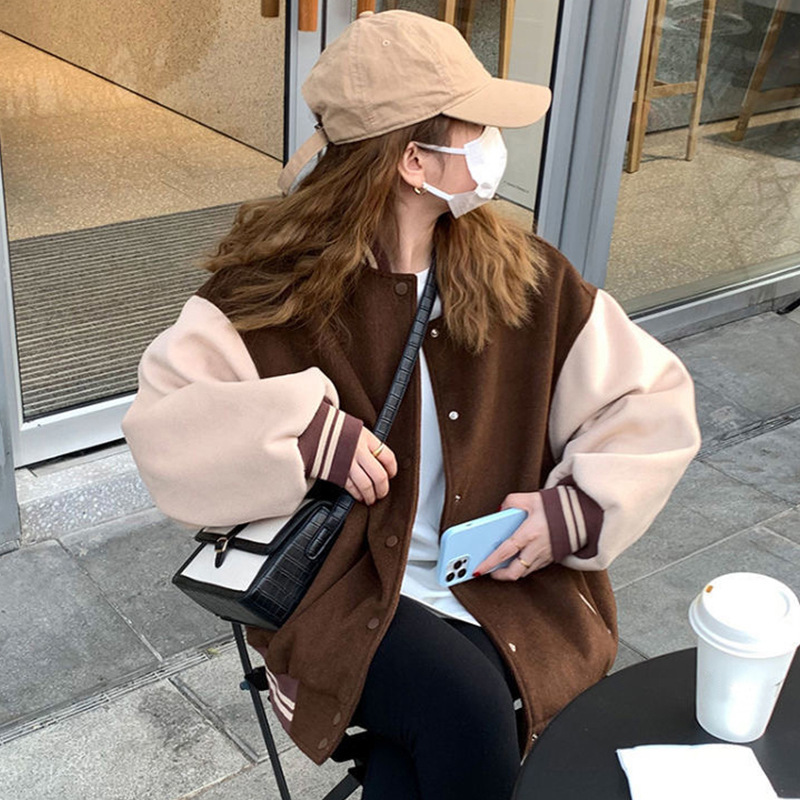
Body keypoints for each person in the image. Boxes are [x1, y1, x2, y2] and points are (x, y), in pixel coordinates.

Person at [121, 10, 701, 800]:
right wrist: (300, 435)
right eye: (475, 126)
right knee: (468, 709)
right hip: (340, 588)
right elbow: (163, 426)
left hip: (500, 573)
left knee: (441, 734)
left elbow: (651, 397)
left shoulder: (526, 277)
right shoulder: (269, 294)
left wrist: (574, 512)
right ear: (414, 160)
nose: (493, 143)